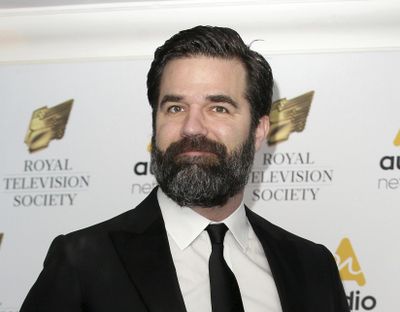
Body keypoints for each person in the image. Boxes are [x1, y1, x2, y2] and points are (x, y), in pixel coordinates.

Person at [21, 25, 349, 312]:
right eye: (176, 107)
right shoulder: (83, 262)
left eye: (218, 108)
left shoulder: (312, 267)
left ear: (259, 130)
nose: (192, 127)